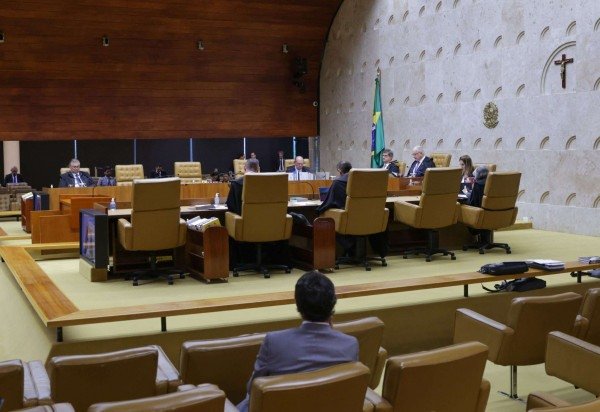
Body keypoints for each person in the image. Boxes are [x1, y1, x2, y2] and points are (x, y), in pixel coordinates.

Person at [236, 271, 358, 412]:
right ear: (333, 303)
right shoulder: (350, 344)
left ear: (298, 304)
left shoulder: (274, 342)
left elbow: (253, 389)